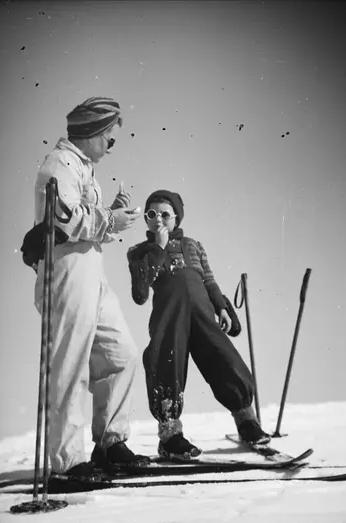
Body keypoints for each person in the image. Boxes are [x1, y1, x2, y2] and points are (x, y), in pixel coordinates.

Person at [31, 96, 150, 480]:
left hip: (92, 274)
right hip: (66, 273)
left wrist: (111, 213)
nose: (111, 145)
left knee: (121, 354)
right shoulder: (58, 165)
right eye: (109, 138)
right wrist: (109, 219)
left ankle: (110, 443)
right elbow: (62, 219)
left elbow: (86, 219)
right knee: (69, 364)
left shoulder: (82, 168)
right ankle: (66, 463)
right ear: (92, 133)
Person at [127, 189, 271, 460]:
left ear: (177, 218)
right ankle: (170, 436)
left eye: (165, 214)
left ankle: (247, 422)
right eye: (152, 214)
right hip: (169, 318)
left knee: (224, 358)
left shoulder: (193, 246)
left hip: (203, 314)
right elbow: (140, 293)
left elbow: (208, 280)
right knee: (166, 366)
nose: (158, 220)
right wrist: (158, 248)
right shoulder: (139, 252)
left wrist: (221, 307)